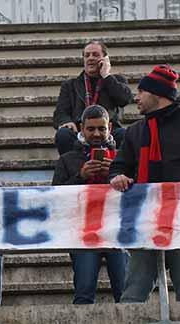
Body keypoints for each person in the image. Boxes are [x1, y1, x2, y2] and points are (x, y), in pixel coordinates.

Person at [110, 65, 180, 302]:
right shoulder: (136, 131)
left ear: (157, 94)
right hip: (145, 221)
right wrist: (117, 177)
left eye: (141, 92)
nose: (135, 98)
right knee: (135, 289)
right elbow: (118, 166)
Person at [52, 104, 127, 304]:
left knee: (126, 291)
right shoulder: (67, 160)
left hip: (118, 231)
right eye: (91, 129)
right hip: (83, 233)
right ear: (82, 128)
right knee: (84, 291)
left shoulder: (123, 157)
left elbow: (137, 190)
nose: (96, 134)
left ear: (110, 128)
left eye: (101, 129)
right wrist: (81, 176)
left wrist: (117, 173)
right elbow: (55, 198)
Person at [54, 40, 133, 155]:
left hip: (107, 130)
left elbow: (125, 99)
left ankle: (115, 170)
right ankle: (74, 170)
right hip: (80, 131)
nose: (90, 58)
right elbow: (60, 113)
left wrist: (106, 76)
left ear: (105, 59)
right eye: (87, 55)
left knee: (123, 134)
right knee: (63, 134)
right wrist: (66, 122)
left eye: (95, 55)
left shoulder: (116, 81)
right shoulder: (70, 85)